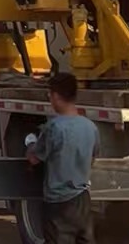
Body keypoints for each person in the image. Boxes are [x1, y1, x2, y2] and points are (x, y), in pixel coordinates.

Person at [26, 71, 97, 244]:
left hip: (58, 202)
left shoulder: (54, 128)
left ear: (56, 96)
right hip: (82, 200)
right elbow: (93, 158)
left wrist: (30, 143)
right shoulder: (90, 127)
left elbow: (34, 158)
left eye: (49, 95)